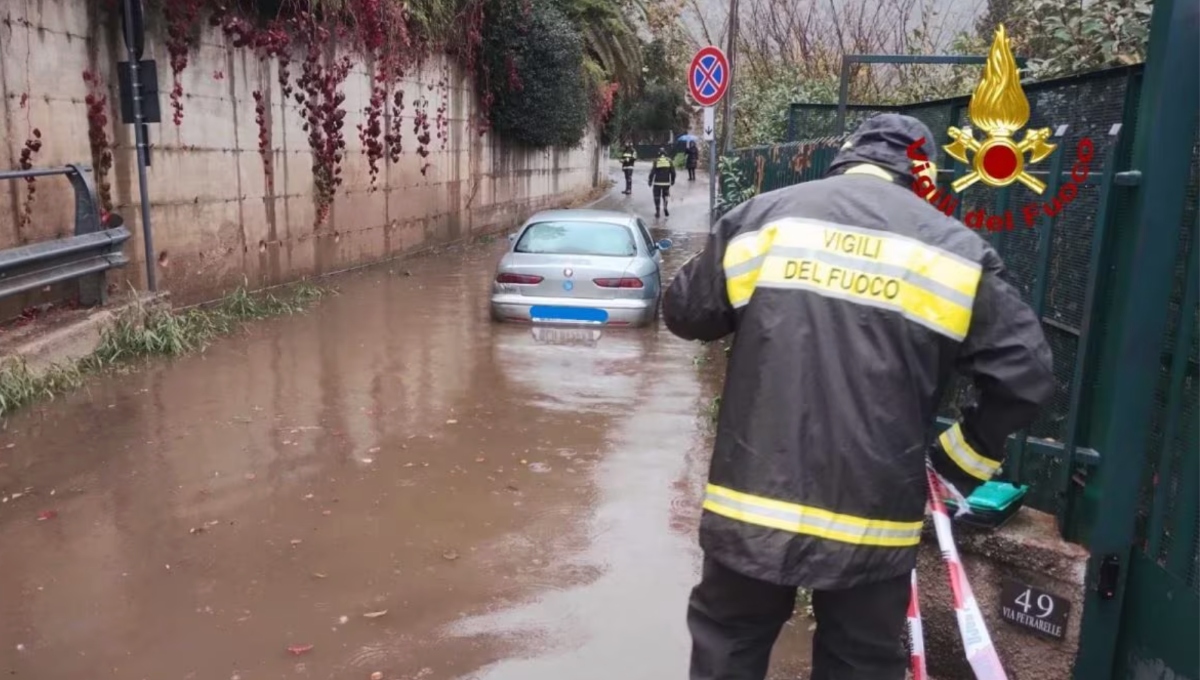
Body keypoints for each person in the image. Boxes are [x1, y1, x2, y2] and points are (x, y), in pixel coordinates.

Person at [662, 113, 1054, 680]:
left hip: (751, 505)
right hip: (874, 521)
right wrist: (956, 464)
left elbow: (683, 314)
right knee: (861, 663)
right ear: (926, 178)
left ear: (843, 159)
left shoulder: (765, 220)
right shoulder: (954, 251)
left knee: (729, 642)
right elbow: (1026, 373)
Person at [649, 147, 676, 219]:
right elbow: (673, 172)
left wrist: (650, 181)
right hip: (666, 183)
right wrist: (673, 180)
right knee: (665, 196)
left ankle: (657, 211)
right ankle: (665, 207)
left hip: (657, 183)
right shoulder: (669, 161)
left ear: (659, 153)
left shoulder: (656, 161)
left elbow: (652, 172)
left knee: (656, 197)